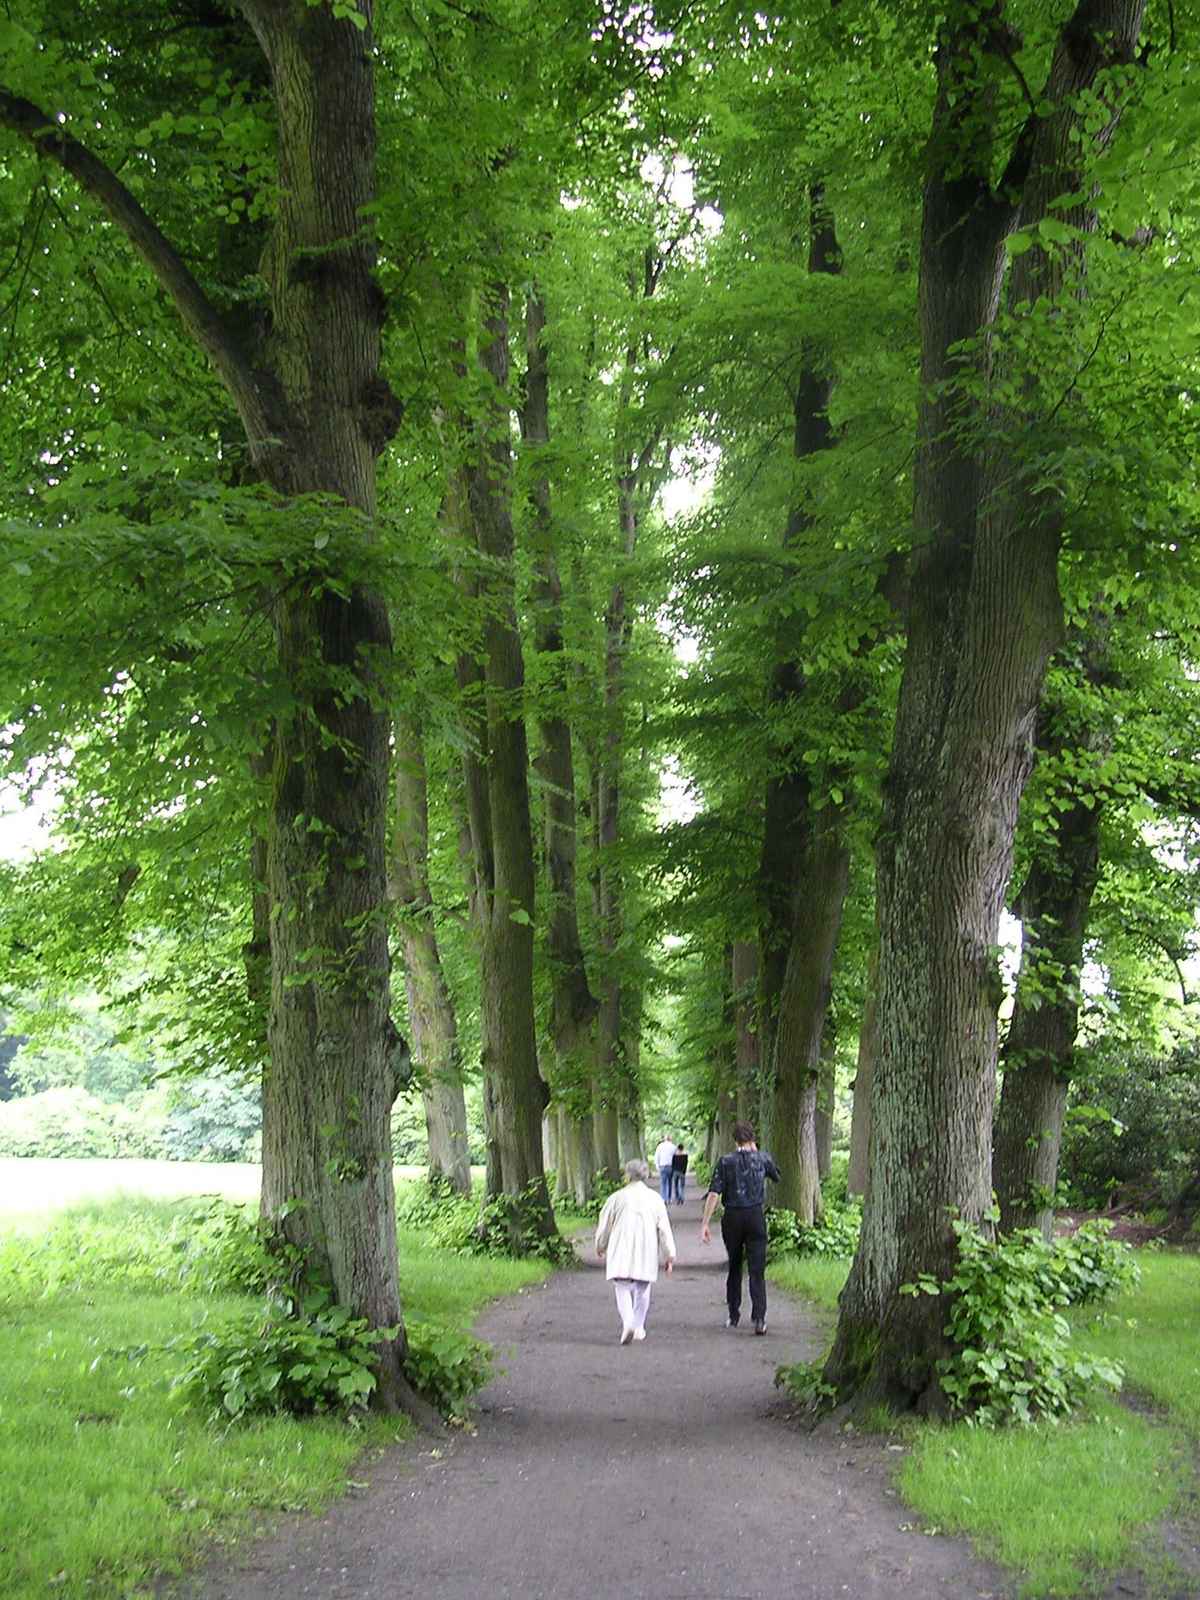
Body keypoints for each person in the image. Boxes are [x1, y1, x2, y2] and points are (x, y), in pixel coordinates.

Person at [700, 1120, 780, 1335]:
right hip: (755, 1216)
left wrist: (705, 1222)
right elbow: (776, 1176)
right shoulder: (763, 1158)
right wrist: (758, 1154)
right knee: (757, 1269)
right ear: (753, 1138)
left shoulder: (725, 1161)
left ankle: (733, 1314)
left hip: (733, 1217)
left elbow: (714, 1193)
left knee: (734, 1265)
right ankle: (759, 1318)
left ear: (735, 1140)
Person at [595, 1158, 676, 1345]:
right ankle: (638, 1326)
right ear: (645, 1175)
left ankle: (628, 1323)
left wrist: (600, 1245)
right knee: (643, 1287)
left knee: (622, 1287)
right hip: (646, 1248)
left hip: (621, 1248)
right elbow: (664, 1229)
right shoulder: (655, 1199)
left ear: (627, 1176)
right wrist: (669, 1255)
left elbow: (605, 1225)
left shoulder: (616, 1198)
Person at [652, 1133, 677, 1205]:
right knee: (669, 1183)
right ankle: (669, 1198)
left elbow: (656, 1156)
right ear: (671, 1139)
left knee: (663, 1183)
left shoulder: (660, 1146)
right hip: (671, 1166)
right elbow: (676, 1158)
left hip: (662, 1166)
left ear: (665, 1139)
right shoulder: (674, 1147)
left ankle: (663, 1199)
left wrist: (657, 1166)